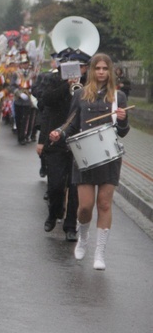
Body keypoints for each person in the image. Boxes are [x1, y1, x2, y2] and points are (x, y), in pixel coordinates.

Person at [49, 53, 129, 270]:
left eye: (105, 68)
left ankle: (100, 252)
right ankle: (83, 237)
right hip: (84, 156)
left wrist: (122, 121)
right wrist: (59, 133)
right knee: (85, 207)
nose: (101, 72)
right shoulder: (82, 94)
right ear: (91, 71)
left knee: (104, 203)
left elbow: (122, 132)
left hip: (109, 158)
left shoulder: (118, 97)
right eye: (97, 68)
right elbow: (72, 123)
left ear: (110, 71)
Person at [36, 48, 80, 241]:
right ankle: (53, 214)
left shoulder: (88, 85)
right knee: (55, 186)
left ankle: (71, 226)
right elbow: (45, 101)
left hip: (78, 142)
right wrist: (66, 86)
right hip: (56, 140)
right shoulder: (54, 80)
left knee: (75, 186)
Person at [10, 52, 37, 145]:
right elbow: (12, 86)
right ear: (20, 64)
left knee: (26, 119)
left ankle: (24, 136)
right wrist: (19, 93)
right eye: (23, 63)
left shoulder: (33, 74)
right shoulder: (16, 74)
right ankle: (19, 136)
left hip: (28, 99)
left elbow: (36, 85)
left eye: (26, 63)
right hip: (18, 99)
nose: (24, 65)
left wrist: (31, 90)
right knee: (18, 119)